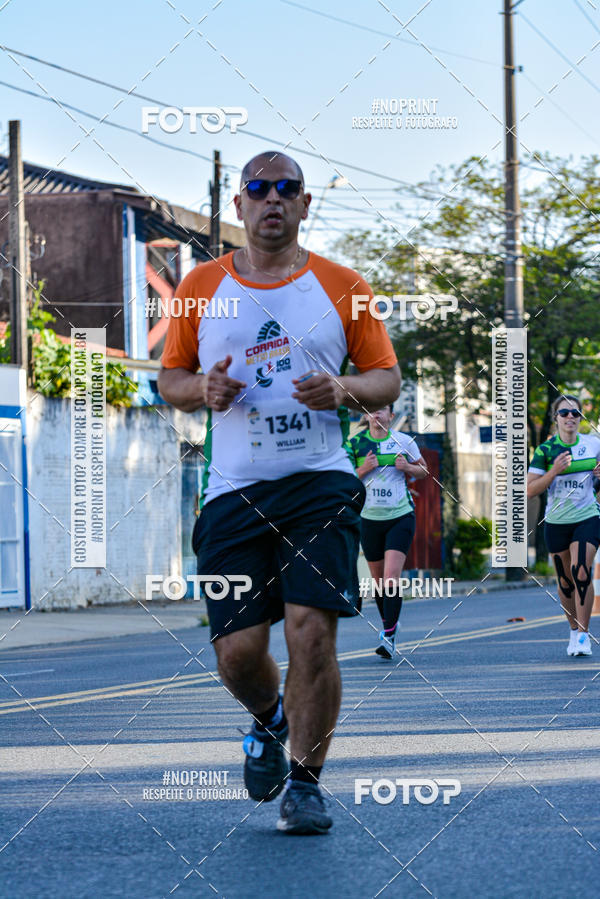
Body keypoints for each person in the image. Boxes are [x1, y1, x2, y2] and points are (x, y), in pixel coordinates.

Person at [157, 151, 400, 835]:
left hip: (319, 483)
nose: (272, 200)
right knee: (237, 653)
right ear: (238, 206)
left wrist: (344, 389)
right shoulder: (201, 285)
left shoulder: (343, 285)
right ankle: (271, 719)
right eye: (258, 189)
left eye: (285, 189)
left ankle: (307, 781)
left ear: (304, 202)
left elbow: (386, 377)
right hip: (234, 491)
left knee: (311, 631)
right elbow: (169, 379)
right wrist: (201, 389)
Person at [346, 405, 428, 658]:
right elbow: (343, 479)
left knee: (391, 578)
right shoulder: (356, 443)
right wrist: (364, 469)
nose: (377, 414)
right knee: (379, 583)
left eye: (382, 410)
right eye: (372, 410)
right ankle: (388, 626)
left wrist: (407, 468)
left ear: (391, 416)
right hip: (369, 518)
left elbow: (424, 471)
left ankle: (389, 637)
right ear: (366, 415)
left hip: (400, 516)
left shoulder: (403, 441)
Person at [527, 394, 600, 657]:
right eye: (564, 413)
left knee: (581, 570)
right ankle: (572, 630)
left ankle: (583, 635)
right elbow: (530, 490)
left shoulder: (593, 445)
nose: (570, 417)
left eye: (575, 413)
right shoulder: (545, 451)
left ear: (581, 418)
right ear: (555, 418)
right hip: (556, 521)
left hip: (587, 516)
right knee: (565, 580)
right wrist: (553, 471)